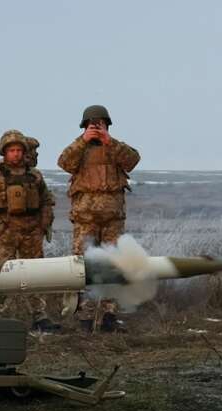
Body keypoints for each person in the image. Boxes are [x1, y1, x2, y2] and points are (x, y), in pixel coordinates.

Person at [57, 105, 140, 332]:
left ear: (107, 125)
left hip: (113, 219)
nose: (97, 127)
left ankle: (108, 316)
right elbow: (64, 162)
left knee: (113, 266)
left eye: (101, 124)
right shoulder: (78, 149)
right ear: (85, 126)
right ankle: (84, 317)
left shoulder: (115, 148)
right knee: (83, 268)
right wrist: (83, 140)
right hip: (85, 219)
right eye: (93, 124)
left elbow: (133, 160)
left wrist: (108, 141)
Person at [0, 129, 56, 334]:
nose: (16, 154)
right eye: (11, 150)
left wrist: (43, 224)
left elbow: (47, 201)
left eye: (19, 150)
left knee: (34, 275)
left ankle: (40, 316)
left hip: (32, 233)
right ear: (4, 152)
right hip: (7, 233)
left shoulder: (35, 176)